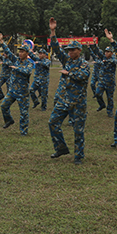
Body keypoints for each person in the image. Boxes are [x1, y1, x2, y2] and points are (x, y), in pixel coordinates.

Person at [47, 18, 90, 164]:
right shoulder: (67, 61)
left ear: (79, 50)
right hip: (65, 100)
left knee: (78, 131)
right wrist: (53, 31)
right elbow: (56, 49)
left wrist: (68, 73)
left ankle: (78, 156)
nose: (70, 52)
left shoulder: (84, 64)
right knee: (52, 122)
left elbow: (82, 76)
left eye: (73, 50)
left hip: (78, 103)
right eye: (69, 50)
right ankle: (61, 148)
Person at [0, 32, 34, 135]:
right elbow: (7, 51)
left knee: (24, 113)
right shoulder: (15, 60)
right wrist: (1, 41)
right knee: (3, 106)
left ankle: (23, 131)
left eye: (22, 52)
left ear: (27, 53)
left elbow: (27, 71)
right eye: (19, 51)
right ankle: (9, 120)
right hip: (12, 91)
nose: (20, 53)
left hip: (23, 92)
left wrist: (17, 68)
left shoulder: (29, 63)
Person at [90, 42, 117, 117]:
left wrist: (105, 61)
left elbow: (114, 61)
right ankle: (102, 105)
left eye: (108, 52)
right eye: (105, 51)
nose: (106, 53)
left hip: (110, 83)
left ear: (111, 53)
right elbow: (97, 51)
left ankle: (110, 111)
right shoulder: (103, 58)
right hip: (102, 82)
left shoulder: (113, 59)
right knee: (97, 94)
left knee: (110, 98)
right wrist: (95, 44)